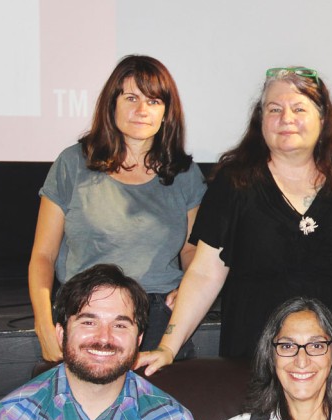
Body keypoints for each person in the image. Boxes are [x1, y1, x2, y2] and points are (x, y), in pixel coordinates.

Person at [137, 67, 332, 373]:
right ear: (260, 119)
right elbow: (203, 274)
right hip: (259, 358)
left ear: (322, 118)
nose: (286, 119)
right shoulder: (235, 182)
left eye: (298, 108)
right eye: (274, 109)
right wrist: (166, 347)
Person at [28, 55, 206, 362]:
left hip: (157, 317)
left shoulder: (185, 174)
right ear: (112, 105)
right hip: (85, 311)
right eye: (131, 98)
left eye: (153, 101)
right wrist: (43, 323)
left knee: (156, 410)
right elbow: (43, 256)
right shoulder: (72, 163)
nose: (141, 110)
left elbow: (192, 253)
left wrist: (187, 290)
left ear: (166, 112)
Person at [0, 264, 197, 420]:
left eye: (120, 325)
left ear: (139, 339)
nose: (104, 337)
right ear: (61, 334)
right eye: (88, 322)